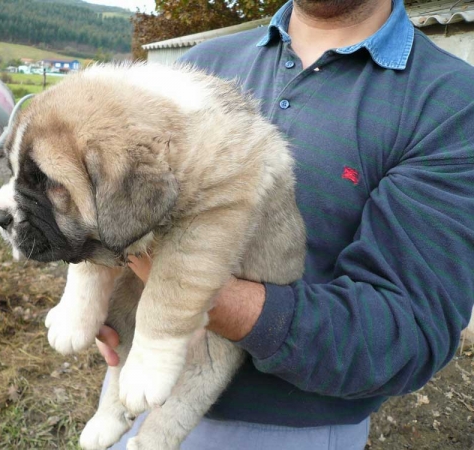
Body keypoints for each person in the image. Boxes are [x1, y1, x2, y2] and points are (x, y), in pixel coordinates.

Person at [96, 0, 474, 448]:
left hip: (289, 431)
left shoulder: (450, 101)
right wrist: (97, 289)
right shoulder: (202, 64)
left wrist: (193, 292)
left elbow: (404, 333)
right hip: (131, 395)